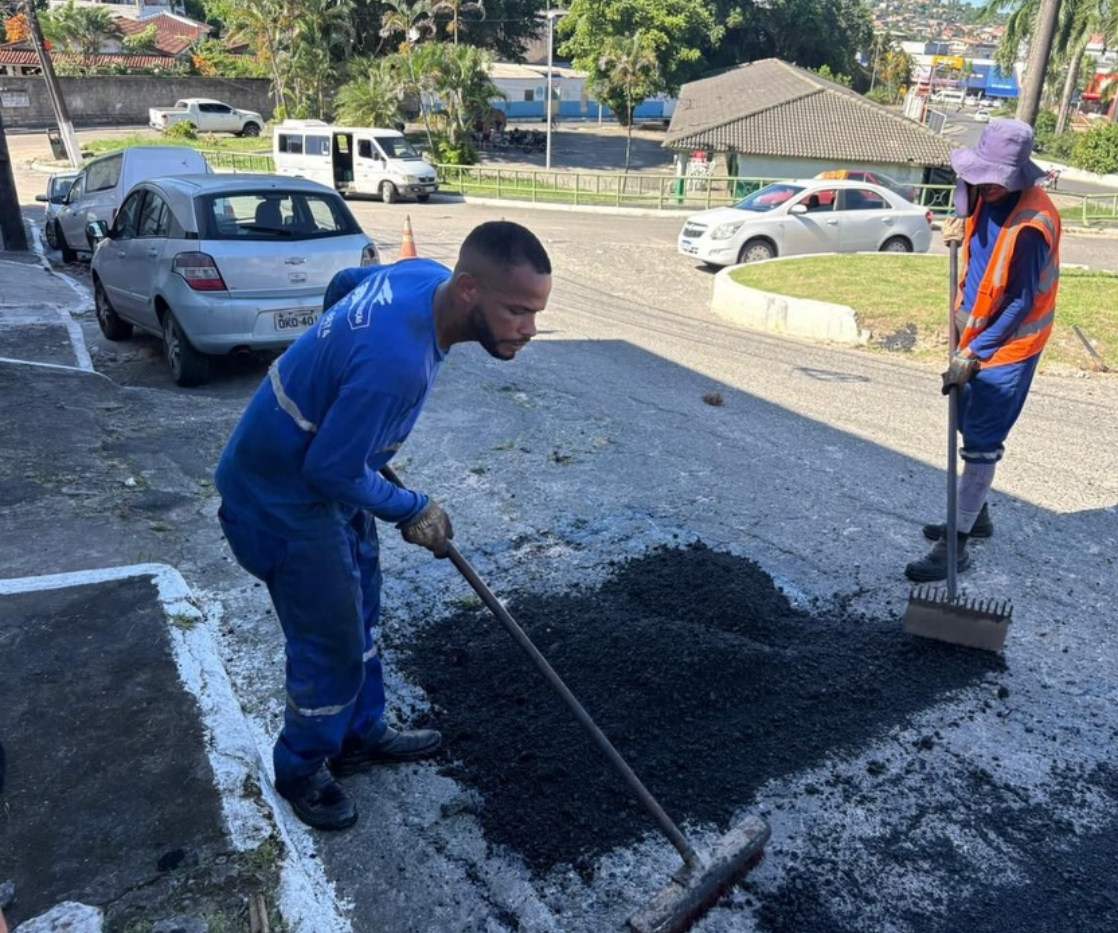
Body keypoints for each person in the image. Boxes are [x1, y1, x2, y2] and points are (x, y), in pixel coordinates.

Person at [215, 221, 553, 831]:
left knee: (361, 609)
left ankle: (360, 732)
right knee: (331, 642)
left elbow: (346, 284)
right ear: (471, 290)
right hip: (280, 500)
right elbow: (329, 469)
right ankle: (302, 767)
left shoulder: (423, 277)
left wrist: (334, 373)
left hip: (325, 478)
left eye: (536, 313)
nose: (529, 330)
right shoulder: (395, 366)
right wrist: (412, 506)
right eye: (518, 312)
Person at [906, 119, 1060, 582]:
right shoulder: (980, 191)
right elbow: (966, 199)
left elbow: (1019, 301)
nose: (984, 186)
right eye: (980, 176)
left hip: (1007, 347)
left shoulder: (1033, 224)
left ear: (1015, 177)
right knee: (965, 423)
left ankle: (956, 547)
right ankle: (978, 516)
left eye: (995, 180)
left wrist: (976, 354)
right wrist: (959, 227)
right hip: (972, 333)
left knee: (981, 445)